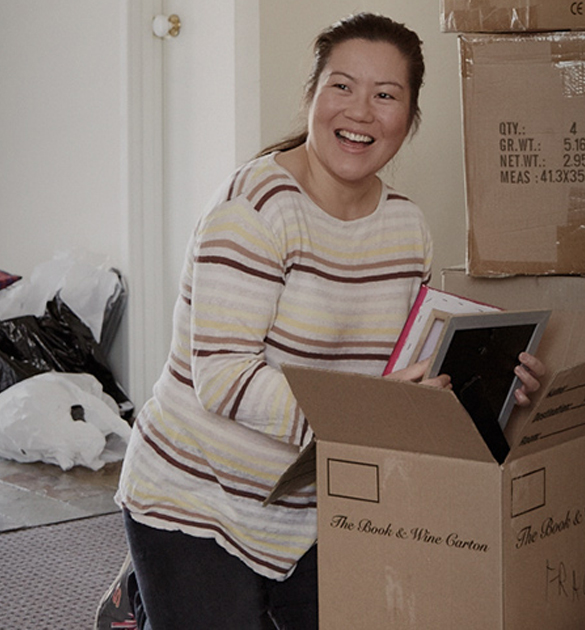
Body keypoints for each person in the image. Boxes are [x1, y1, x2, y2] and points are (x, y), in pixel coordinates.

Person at [111, 12, 546, 630]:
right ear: (312, 96)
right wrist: (367, 410)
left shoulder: (407, 227)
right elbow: (225, 380)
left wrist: (493, 389)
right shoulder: (254, 210)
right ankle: (145, 597)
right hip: (198, 495)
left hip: (321, 499)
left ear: (410, 117)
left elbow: (407, 372)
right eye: (341, 86)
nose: (361, 112)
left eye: (386, 95)